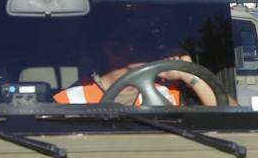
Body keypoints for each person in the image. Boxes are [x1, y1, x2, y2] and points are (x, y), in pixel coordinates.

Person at [54, 32, 219, 106]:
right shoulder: (72, 100)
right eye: (143, 41)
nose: (154, 49)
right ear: (114, 48)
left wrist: (190, 74)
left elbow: (232, 118)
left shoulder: (169, 91)